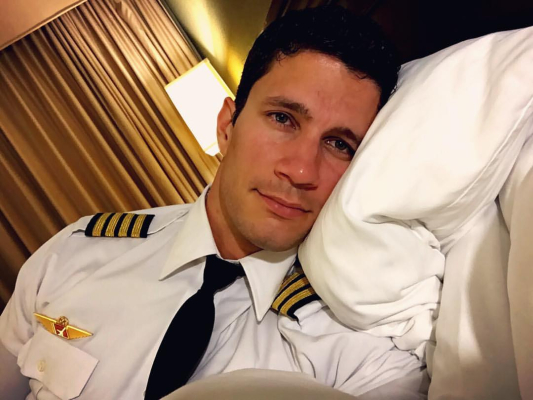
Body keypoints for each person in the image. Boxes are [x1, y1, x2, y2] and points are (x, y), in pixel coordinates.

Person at [0, 6, 427, 400]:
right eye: (283, 119)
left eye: (339, 144)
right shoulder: (74, 254)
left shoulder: (362, 357)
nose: (301, 170)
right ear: (226, 126)